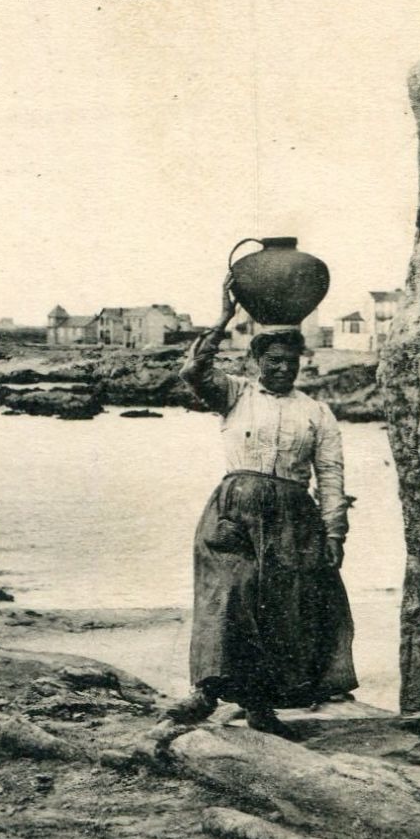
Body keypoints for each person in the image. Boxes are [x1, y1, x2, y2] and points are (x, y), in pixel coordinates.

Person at [167, 283, 356, 737]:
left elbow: (330, 475)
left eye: (290, 362)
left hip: (294, 518)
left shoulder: (316, 412)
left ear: (300, 364)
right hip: (234, 510)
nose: (282, 368)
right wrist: (221, 321)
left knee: (279, 609)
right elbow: (193, 371)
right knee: (229, 593)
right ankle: (206, 692)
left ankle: (261, 706)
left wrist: (334, 534)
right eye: (273, 361)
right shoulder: (235, 395)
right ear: (256, 362)